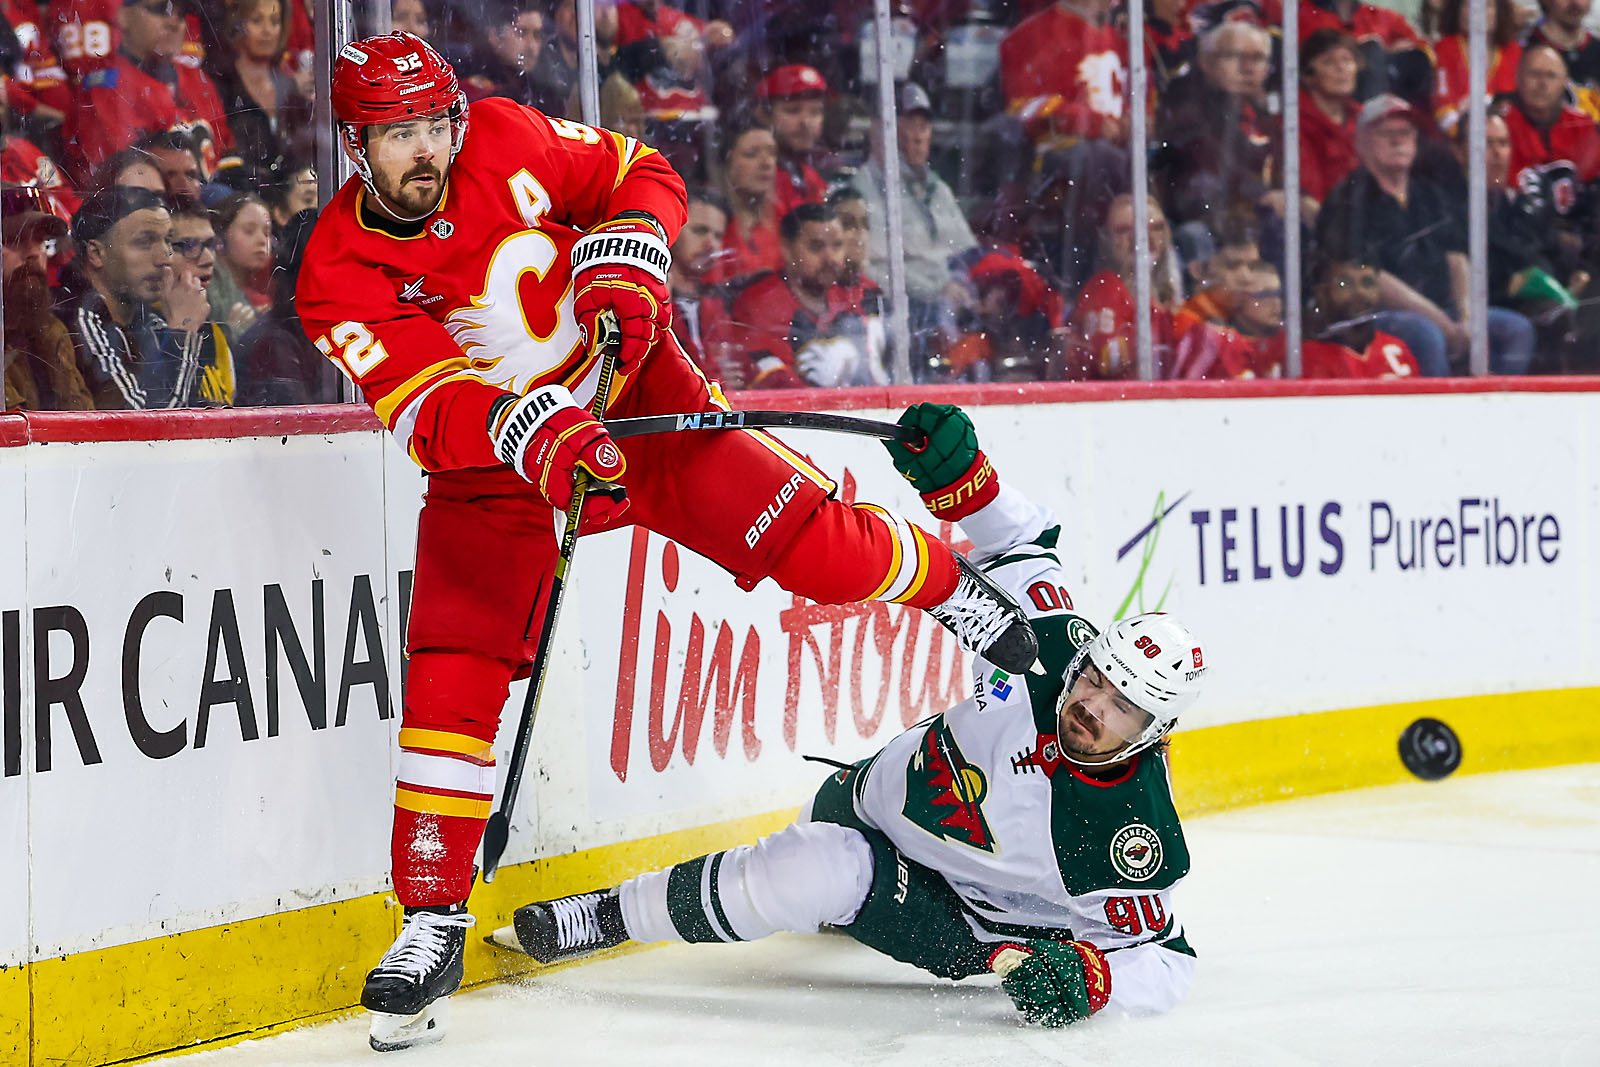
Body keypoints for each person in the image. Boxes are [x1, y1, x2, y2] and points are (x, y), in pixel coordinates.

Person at [295, 33, 1039, 1053]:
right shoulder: (336, 271)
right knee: (451, 677)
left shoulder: (509, 140)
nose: (422, 150)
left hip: (641, 405)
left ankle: (948, 581)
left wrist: (626, 264)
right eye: (395, 136)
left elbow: (637, 173)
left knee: (813, 545)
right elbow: (427, 403)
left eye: (432, 126)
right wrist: (529, 427)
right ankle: (431, 913)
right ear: (354, 145)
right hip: (495, 479)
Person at [498, 403, 1206, 1032]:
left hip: (959, 913)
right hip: (866, 795)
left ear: (1153, 734)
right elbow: (1020, 539)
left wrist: (1095, 981)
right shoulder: (1051, 646)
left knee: (808, 870)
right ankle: (838, 898)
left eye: (1122, 707)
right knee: (822, 839)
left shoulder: (1128, 832)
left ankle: (607, 915)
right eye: (1096, 679)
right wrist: (968, 480)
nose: (1090, 705)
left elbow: (1165, 960)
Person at [1316, 94, 1535, 375]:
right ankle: (1438, 415)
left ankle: (1497, 407)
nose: (1399, 140)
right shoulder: (1348, 199)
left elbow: (1456, 257)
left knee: (1515, 328)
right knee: (1425, 333)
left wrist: (1467, 318)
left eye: (1405, 132)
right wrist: (1441, 321)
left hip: (1444, 312)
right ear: (1361, 143)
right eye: (1386, 133)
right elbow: (1369, 277)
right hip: (1375, 316)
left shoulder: (1429, 193)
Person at [58, 186, 223, 408]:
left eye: (168, 241)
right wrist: (183, 333)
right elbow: (143, 428)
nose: (165, 257)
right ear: (96, 254)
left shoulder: (146, 317)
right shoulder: (81, 318)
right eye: (145, 242)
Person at [849, 82, 978, 359]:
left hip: (952, 304)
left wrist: (969, 288)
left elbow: (964, 253)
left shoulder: (937, 187)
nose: (919, 137)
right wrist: (938, 291)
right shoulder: (862, 190)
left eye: (924, 126)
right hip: (903, 312)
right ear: (879, 132)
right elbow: (869, 271)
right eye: (909, 125)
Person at [716, 201, 887, 389]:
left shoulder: (857, 296)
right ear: (787, 249)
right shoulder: (759, 304)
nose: (830, 258)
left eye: (837, 245)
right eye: (816, 247)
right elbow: (775, 383)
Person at [68, 0, 232, 181]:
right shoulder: (104, 87)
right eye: (160, 10)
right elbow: (125, 178)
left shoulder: (198, 79)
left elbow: (225, 153)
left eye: (181, 14)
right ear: (123, 16)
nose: (174, 22)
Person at [1062, 192, 1180, 379]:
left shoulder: (1168, 293)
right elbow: (1108, 363)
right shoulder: (1104, 288)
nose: (1143, 238)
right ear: (1107, 239)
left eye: (1156, 228)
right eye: (1125, 230)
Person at [2, 184, 92, 409]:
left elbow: (84, 425)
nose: (34, 252)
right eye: (14, 239)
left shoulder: (50, 329)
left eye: (40, 240)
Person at [161, 195, 235, 403]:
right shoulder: (138, 330)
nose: (208, 259)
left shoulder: (216, 334)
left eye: (210, 244)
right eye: (189, 245)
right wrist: (182, 332)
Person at [1302, 255, 1422, 378]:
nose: (1360, 291)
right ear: (1322, 293)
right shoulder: (1307, 357)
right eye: (1345, 284)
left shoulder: (1397, 348)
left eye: (1367, 283)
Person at [710, 115, 781, 285]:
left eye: (772, 153)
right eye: (751, 154)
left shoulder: (784, 217)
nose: (766, 163)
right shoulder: (709, 224)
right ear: (727, 162)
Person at [665, 186, 728, 380]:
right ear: (673, 227)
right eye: (700, 231)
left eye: (718, 236)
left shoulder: (721, 302)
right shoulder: (650, 299)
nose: (711, 244)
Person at [1298, 29, 1362, 212]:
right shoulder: (1296, 122)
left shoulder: (1364, 117)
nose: (1341, 68)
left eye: (1347, 60)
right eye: (1329, 62)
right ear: (1308, 75)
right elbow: (1311, 191)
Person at [759, 64, 829, 219]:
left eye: (815, 111)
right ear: (765, 115)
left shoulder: (812, 177)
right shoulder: (758, 178)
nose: (806, 122)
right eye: (792, 110)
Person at [207, 190, 271, 333]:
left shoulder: (259, 293)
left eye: (267, 233)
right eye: (249, 231)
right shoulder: (208, 285)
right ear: (221, 234)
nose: (262, 241)